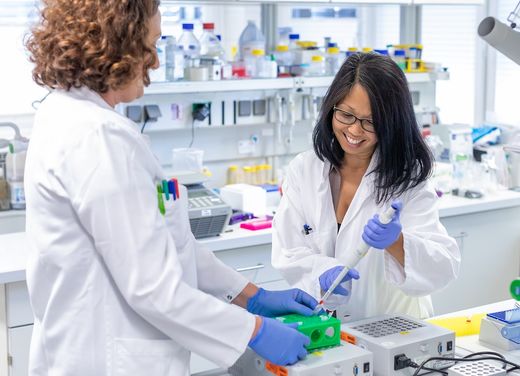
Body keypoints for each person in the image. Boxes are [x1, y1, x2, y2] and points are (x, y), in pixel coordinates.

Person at [24, 1, 317, 375]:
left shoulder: (68, 115)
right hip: (105, 359)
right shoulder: (97, 137)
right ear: (116, 45)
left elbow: (169, 246)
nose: (156, 63)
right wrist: (254, 330)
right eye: (152, 44)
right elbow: (152, 288)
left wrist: (252, 296)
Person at [271, 53, 461, 321]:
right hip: (327, 326)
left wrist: (397, 242)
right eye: (346, 115)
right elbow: (289, 249)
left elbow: (444, 265)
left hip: (394, 326)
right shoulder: (306, 169)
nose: (355, 131)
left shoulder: (409, 179)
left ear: (392, 123)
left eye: (370, 121)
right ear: (331, 109)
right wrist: (322, 270)